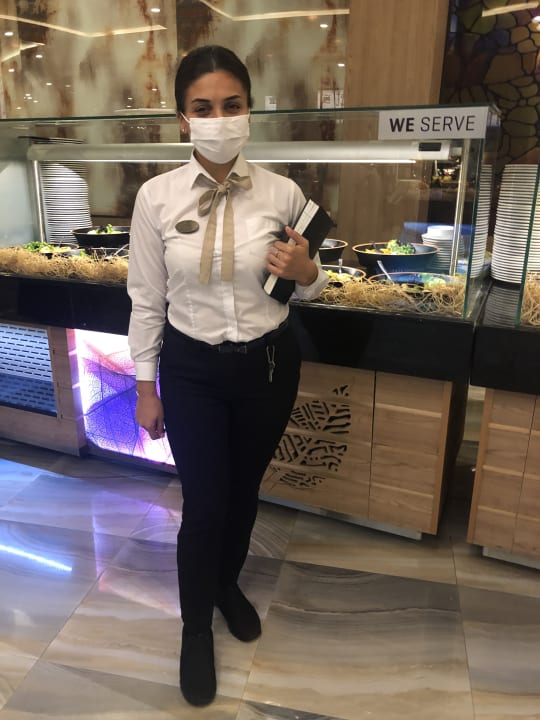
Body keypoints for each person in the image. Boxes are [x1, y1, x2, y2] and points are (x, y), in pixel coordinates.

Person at [127, 44, 329, 707]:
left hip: (268, 366)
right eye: (203, 107)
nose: (219, 118)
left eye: (231, 105)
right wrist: (145, 387)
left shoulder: (283, 192)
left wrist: (308, 273)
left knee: (244, 494)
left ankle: (225, 585)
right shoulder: (156, 198)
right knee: (205, 503)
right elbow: (146, 299)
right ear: (183, 118)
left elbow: (309, 285)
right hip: (192, 370)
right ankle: (194, 628)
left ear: (250, 109)